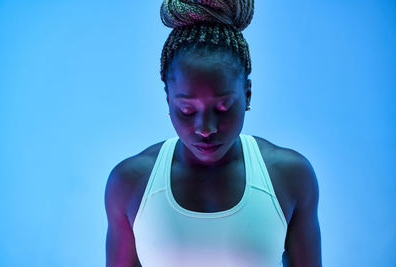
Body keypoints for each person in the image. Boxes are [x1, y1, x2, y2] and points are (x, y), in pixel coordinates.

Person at [104, 0, 322, 266]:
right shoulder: (130, 183)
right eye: (186, 109)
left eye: (223, 107)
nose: (205, 128)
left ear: (247, 94)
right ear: (168, 100)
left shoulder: (289, 177)